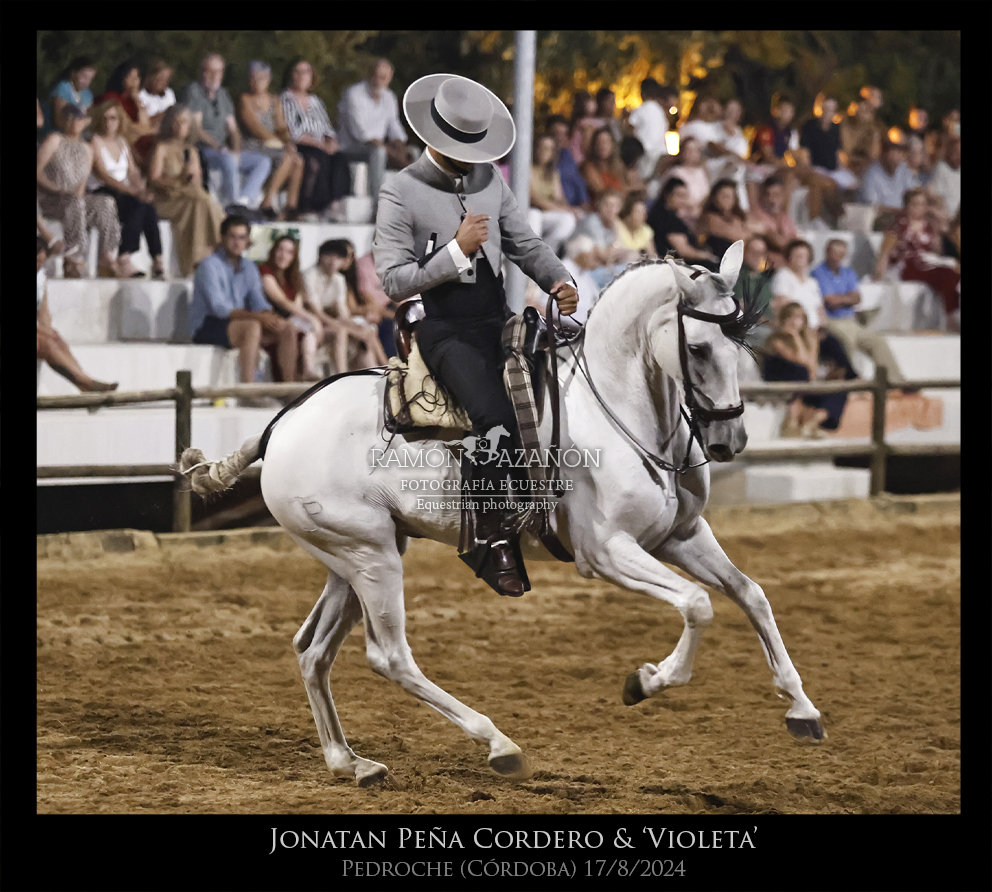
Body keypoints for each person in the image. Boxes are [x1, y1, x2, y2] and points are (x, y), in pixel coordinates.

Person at [374, 73, 578, 598]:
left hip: (497, 318)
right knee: (494, 418)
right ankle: (489, 538)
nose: (472, 159)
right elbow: (393, 280)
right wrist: (456, 251)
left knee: (563, 391)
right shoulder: (401, 189)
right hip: (443, 327)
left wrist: (559, 280)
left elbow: (525, 243)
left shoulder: (490, 180)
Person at [190, 215, 300, 389]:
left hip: (237, 320)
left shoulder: (249, 267)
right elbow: (219, 308)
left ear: (247, 241)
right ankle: (249, 388)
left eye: (242, 238)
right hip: (207, 324)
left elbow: (258, 301)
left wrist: (267, 315)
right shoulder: (209, 266)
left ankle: (289, 388)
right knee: (252, 326)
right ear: (223, 238)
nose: (237, 243)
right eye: (232, 237)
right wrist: (258, 317)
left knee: (287, 328)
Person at [36, 104, 122, 279]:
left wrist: (78, 197)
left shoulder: (87, 149)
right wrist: (58, 189)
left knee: (106, 203)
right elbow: (37, 172)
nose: (73, 123)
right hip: (50, 199)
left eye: (77, 119)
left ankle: (106, 255)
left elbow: (82, 185)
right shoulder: (55, 140)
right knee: (74, 203)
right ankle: (73, 259)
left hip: (72, 201)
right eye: (69, 119)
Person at [183, 53, 272, 209]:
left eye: (218, 71)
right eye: (210, 71)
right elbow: (197, 129)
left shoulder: (223, 95)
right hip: (203, 149)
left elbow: (233, 129)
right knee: (227, 159)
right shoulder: (194, 91)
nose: (214, 76)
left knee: (263, 162)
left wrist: (236, 150)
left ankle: (243, 201)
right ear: (202, 72)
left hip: (222, 149)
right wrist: (218, 147)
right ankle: (233, 204)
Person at [811, 238, 905, 384]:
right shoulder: (818, 273)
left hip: (850, 320)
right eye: (833, 253)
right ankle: (849, 383)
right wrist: (847, 298)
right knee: (845, 342)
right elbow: (830, 301)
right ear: (827, 252)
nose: (835, 257)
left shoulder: (848, 273)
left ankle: (895, 381)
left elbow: (857, 298)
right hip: (832, 321)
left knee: (877, 342)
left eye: (840, 253)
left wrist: (841, 299)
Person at [89, 99, 164, 279]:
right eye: (105, 118)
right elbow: (103, 174)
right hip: (103, 190)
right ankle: (125, 257)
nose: (109, 123)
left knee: (147, 207)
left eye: (113, 118)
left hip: (124, 192)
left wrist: (141, 189)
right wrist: (132, 191)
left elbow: (132, 171)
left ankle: (157, 258)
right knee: (138, 205)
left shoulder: (122, 142)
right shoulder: (96, 141)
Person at [147, 104, 225, 277]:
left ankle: (202, 255)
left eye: (184, 122)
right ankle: (220, 239)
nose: (180, 126)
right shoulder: (162, 148)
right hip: (167, 198)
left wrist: (191, 176)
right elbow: (154, 179)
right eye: (176, 122)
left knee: (199, 199)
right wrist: (177, 180)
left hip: (189, 196)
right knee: (200, 200)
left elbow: (196, 182)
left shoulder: (192, 151)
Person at [37, 237, 118, 393]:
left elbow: (43, 311)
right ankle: (85, 383)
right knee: (46, 343)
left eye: (42, 262)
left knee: (56, 339)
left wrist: (48, 331)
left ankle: (84, 380)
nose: (38, 266)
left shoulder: (40, 278)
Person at [336, 59, 413, 216]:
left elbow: (394, 127)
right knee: (378, 152)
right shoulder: (354, 94)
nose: (378, 81)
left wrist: (402, 148)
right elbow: (361, 134)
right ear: (369, 75)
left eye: (383, 77)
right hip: (351, 147)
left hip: (380, 147)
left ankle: (411, 206)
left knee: (414, 152)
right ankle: (379, 207)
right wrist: (394, 155)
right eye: (375, 76)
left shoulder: (389, 97)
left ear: (390, 78)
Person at [874, 187, 960, 329]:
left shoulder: (928, 226)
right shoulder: (899, 226)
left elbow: (936, 250)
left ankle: (952, 314)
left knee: (953, 275)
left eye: (922, 204)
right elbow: (885, 252)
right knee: (947, 275)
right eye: (915, 204)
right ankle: (951, 318)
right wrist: (879, 274)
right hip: (907, 265)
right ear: (907, 206)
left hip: (927, 262)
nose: (918, 208)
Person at [771, 239, 857, 380]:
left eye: (803, 256)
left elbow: (820, 310)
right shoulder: (783, 277)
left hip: (815, 329)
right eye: (797, 256)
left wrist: (821, 326)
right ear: (789, 258)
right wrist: (806, 329)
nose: (800, 259)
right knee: (829, 345)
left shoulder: (812, 282)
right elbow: (784, 306)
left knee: (836, 342)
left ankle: (849, 377)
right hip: (798, 328)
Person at [304, 239, 388, 373]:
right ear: (320, 256)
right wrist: (345, 326)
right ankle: (342, 373)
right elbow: (316, 312)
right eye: (329, 256)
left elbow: (343, 312)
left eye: (338, 258)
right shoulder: (310, 276)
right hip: (311, 321)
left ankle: (381, 369)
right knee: (342, 331)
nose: (333, 261)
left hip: (331, 321)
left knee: (368, 330)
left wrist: (354, 327)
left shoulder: (339, 280)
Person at [280, 59, 351, 218]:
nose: (302, 76)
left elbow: (327, 127)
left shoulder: (316, 101)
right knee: (316, 159)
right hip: (300, 144)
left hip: (320, 144)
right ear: (291, 75)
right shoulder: (285, 99)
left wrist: (331, 141)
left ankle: (333, 204)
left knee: (339, 159)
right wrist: (319, 144)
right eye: (298, 71)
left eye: (306, 72)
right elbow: (292, 131)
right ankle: (307, 206)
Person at [762, 302, 843, 437]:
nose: (794, 322)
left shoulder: (811, 339)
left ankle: (813, 422)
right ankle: (793, 424)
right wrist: (795, 337)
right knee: (800, 372)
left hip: (805, 381)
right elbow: (801, 362)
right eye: (790, 317)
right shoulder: (776, 340)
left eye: (798, 318)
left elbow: (811, 367)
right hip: (783, 379)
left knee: (839, 392)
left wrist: (800, 339)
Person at [238, 61, 304, 220]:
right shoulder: (245, 100)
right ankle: (268, 199)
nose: (256, 82)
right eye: (253, 78)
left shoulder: (274, 101)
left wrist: (287, 142)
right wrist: (280, 144)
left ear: (268, 80)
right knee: (287, 157)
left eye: (261, 78)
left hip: (273, 144)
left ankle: (291, 206)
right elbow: (255, 128)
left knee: (298, 161)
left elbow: (281, 126)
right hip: (253, 144)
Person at [258, 235, 324, 380]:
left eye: (289, 252)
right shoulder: (265, 272)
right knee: (299, 329)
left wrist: (310, 320)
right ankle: (291, 379)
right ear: (273, 251)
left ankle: (309, 370)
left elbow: (297, 306)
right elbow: (282, 302)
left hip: (291, 320)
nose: (283, 255)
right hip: (272, 320)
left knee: (311, 331)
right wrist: (312, 318)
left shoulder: (294, 277)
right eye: (280, 250)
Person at [646, 177, 719, 268]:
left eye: (685, 196)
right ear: (667, 195)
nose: (683, 200)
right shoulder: (665, 218)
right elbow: (683, 251)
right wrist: (706, 256)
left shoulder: (668, 214)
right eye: (680, 195)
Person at [572, 189, 637, 290]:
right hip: (579, 271)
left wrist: (616, 226)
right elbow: (605, 255)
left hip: (599, 267)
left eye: (615, 206)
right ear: (599, 206)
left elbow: (612, 253)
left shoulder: (612, 224)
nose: (611, 209)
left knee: (632, 255)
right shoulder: (592, 221)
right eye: (607, 205)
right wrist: (609, 256)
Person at [529, 133, 579, 256]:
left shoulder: (553, 172)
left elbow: (559, 198)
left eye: (549, 149)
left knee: (568, 219)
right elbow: (534, 199)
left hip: (547, 213)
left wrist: (568, 209)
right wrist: (559, 209)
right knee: (534, 215)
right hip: (530, 211)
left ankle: (546, 252)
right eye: (542, 147)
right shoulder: (528, 168)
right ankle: (533, 252)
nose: (544, 152)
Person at [858, 139, 919, 226]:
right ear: (883, 153)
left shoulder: (903, 169)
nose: (897, 156)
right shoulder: (871, 174)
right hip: (879, 221)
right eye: (893, 151)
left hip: (903, 218)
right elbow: (874, 207)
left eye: (900, 152)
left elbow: (914, 193)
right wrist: (900, 212)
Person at [733, 235, 775, 351]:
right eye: (753, 252)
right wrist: (769, 322)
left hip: (768, 325)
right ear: (745, 252)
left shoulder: (762, 279)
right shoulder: (738, 276)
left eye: (760, 253)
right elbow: (743, 307)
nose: (757, 256)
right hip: (748, 327)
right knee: (774, 337)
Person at [628, 79, 674, 183]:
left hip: (645, 155)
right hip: (661, 154)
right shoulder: (661, 112)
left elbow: (630, 128)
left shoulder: (641, 110)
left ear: (642, 93)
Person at [747, 175, 797, 268]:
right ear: (762, 197)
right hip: (766, 267)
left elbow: (795, 242)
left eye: (776, 195)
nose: (772, 200)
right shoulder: (757, 215)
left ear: (783, 196)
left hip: (786, 265)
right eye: (768, 195)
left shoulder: (784, 217)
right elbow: (780, 242)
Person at [96, 60, 151, 144]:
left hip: (135, 136)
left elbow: (145, 126)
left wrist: (138, 102)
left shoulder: (134, 100)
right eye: (130, 77)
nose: (134, 81)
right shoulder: (112, 97)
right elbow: (124, 126)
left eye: (137, 77)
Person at [659, 136, 710, 226]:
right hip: (681, 215)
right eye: (689, 150)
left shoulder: (701, 173)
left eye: (695, 150)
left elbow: (707, 193)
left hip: (700, 213)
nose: (692, 153)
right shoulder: (675, 172)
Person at [696, 178, 750, 261]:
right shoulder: (709, 218)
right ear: (714, 198)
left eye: (731, 197)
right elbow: (736, 236)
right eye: (724, 197)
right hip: (715, 258)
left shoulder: (736, 217)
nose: (728, 200)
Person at [135, 58, 177, 161]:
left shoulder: (169, 94)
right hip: (151, 135)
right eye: (161, 79)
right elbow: (145, 123)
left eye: (167, 79)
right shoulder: (141, 96)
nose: (164, 83)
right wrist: (166, 113)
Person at [545, 114, 589, 209]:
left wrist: (584, 202)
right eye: (556, 134)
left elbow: (578, 181)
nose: (560, 138)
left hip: (573, 207)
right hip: (551, 207)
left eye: (564, 134)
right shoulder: (540, 160)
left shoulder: (567, 155)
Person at [45, 56, 97, 136]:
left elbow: (91, 117)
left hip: (80, 135)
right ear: (73, 73)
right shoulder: (63, 88)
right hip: (59, 134)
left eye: (90, 79)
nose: (87, 82)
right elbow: (59, 120)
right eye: (84, 77)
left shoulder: (87, 94)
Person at [580, 127, 632, 203]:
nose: (603, 146)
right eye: (599, 142)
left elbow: (626, 185)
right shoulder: (589, 167)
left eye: (606, 142)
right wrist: (628, 190)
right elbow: (602, 192)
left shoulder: (618, 165)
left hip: (620, 203)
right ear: (594, 146)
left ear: (612, 145)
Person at [841, 97, 882, 178]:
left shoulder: (874, 130)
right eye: (861, 110)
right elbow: (848, 150)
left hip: (867, 169)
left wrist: (873, 133)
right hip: (848, 167)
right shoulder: (847, 125)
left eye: (867, 111)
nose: (864, 115)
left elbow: (874, 155)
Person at [927, 133, 960, 217]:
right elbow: (936, 195)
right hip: (947, 215)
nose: (958, 156)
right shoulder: (942, 168)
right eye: (955, 152)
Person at [616, 192, 655, 258]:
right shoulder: (616, 227)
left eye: (644, 213)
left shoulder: (646, 230)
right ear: (627, 213)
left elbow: (652, 255)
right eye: (638, 213)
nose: (643, 217)